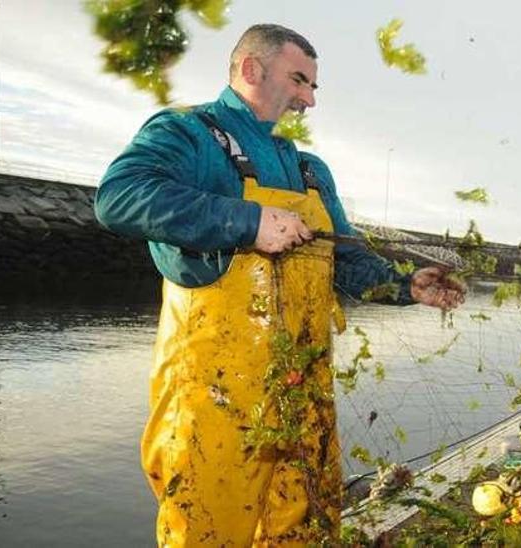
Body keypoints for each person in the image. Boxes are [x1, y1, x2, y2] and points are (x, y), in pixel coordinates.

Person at [94, 23, 465, 546]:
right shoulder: (191, 134)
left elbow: (347, 261)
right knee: (207, 528)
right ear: (251, 69)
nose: (308, 99)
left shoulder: (309, 169)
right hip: (216, 396)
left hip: (303, 390)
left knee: (307, 524)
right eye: (299, 80)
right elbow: (119, 196)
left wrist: (408, 286)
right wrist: (248, 222)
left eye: (313, 87)